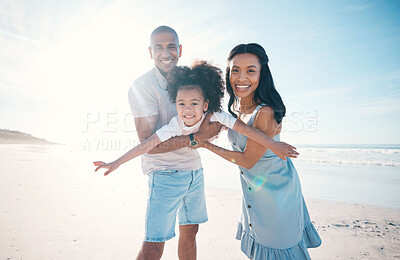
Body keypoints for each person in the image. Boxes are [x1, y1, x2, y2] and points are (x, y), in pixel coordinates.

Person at [97, 26, 298, 260]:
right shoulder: (144, 88)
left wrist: (272, 144)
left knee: (191, 230)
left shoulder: (188, 81)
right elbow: (147, 143)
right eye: (158, 47)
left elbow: (235, 126)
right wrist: (117, 162)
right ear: (149, 52)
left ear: (180, 50)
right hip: (164, 174)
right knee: (154, 242)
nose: (165, 52)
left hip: (193, 171)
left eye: (171, 46)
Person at [197, 43, 321, 259]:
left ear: (262, 74)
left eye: (250, 71)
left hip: (277, 196)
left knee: (277, 249)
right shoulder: (238, 110)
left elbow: (247, 161)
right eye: (235, 70)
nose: (241, 77)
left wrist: (206, 145)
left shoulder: (265, 111)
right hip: (255, 193)